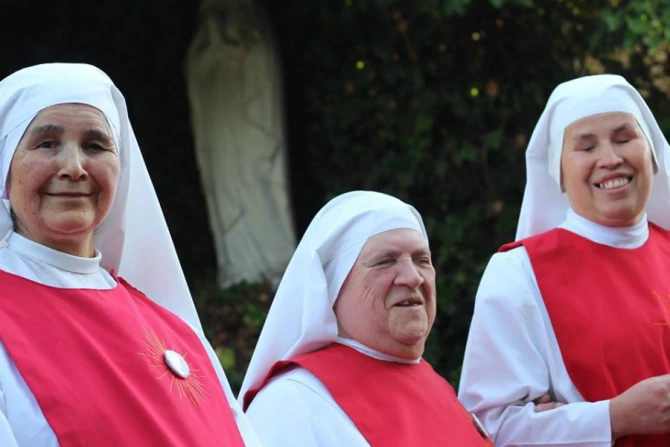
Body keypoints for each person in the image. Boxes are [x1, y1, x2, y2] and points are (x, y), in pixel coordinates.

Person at [0, 63, 260, 446]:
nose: (74, 167)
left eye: (95, 145)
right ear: (5, 166)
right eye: (46, 144)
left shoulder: (175, 328)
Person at [458, 74, 670, 447]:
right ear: (557, 172)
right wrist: (612, 418)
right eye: (586, 147)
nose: (610, 159)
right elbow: (487, 428)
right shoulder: (518, 274)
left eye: (624, 139)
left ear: (652, 153)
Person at [238, 191, 494, 446]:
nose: (413, 277)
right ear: (332, 286)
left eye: (422, 260)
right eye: (385, 262)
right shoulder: (292, 404)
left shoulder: (437, 388)